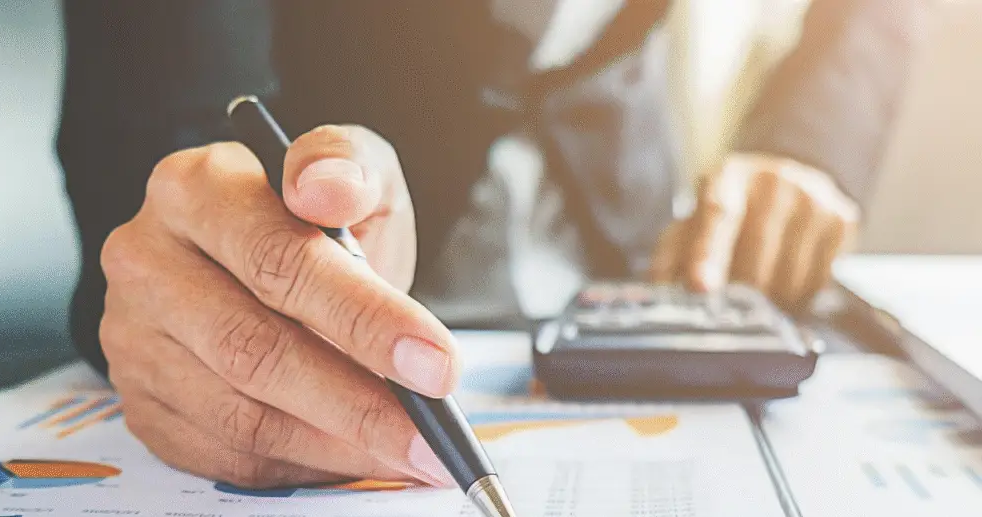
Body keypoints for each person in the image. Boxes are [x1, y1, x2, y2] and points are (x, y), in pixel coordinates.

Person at [58, 1, 929, 489]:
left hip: (630, 260)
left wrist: (812, 143)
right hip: (343, 254)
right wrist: (196, 257)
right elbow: (163, 143)